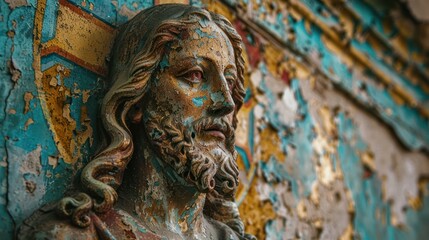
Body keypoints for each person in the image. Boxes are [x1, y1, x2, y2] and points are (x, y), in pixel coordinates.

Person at [18, 4, 254, 240]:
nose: (226, 102)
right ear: (137, 99)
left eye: (230, 82)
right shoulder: (78, 235)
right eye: (195, 75)